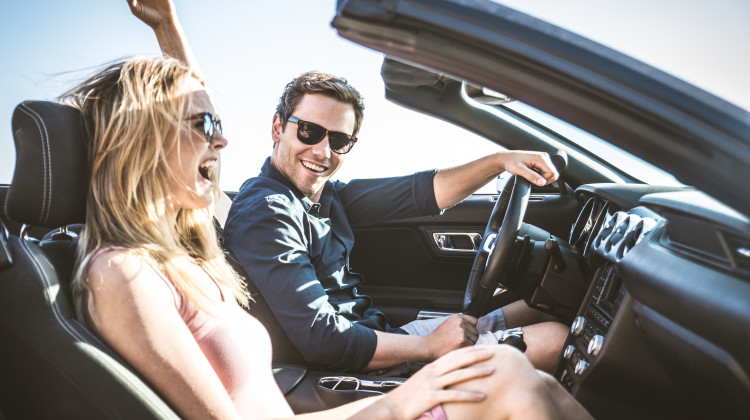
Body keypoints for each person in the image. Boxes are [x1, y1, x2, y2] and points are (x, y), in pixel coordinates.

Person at [63, 13, 593, 419]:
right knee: (517, 364)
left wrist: (499, 161)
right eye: (310, 132)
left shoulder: (191, 253)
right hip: (342, 376)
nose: (220, 141)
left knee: (535, 367)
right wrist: (407, 387)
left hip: (360, 359)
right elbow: (314, 347)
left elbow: (418, 193)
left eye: (339, 140)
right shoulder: (129, 271)